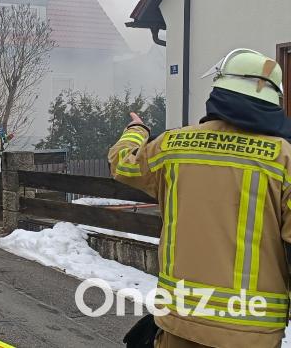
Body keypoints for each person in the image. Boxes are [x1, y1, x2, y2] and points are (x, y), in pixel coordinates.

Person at [110, 49, 291, 348]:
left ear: (219, 90)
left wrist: (136, 131)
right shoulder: (284, 159)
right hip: (253, 331)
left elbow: (121, 163)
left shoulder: (173, 145)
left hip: (181, 324)